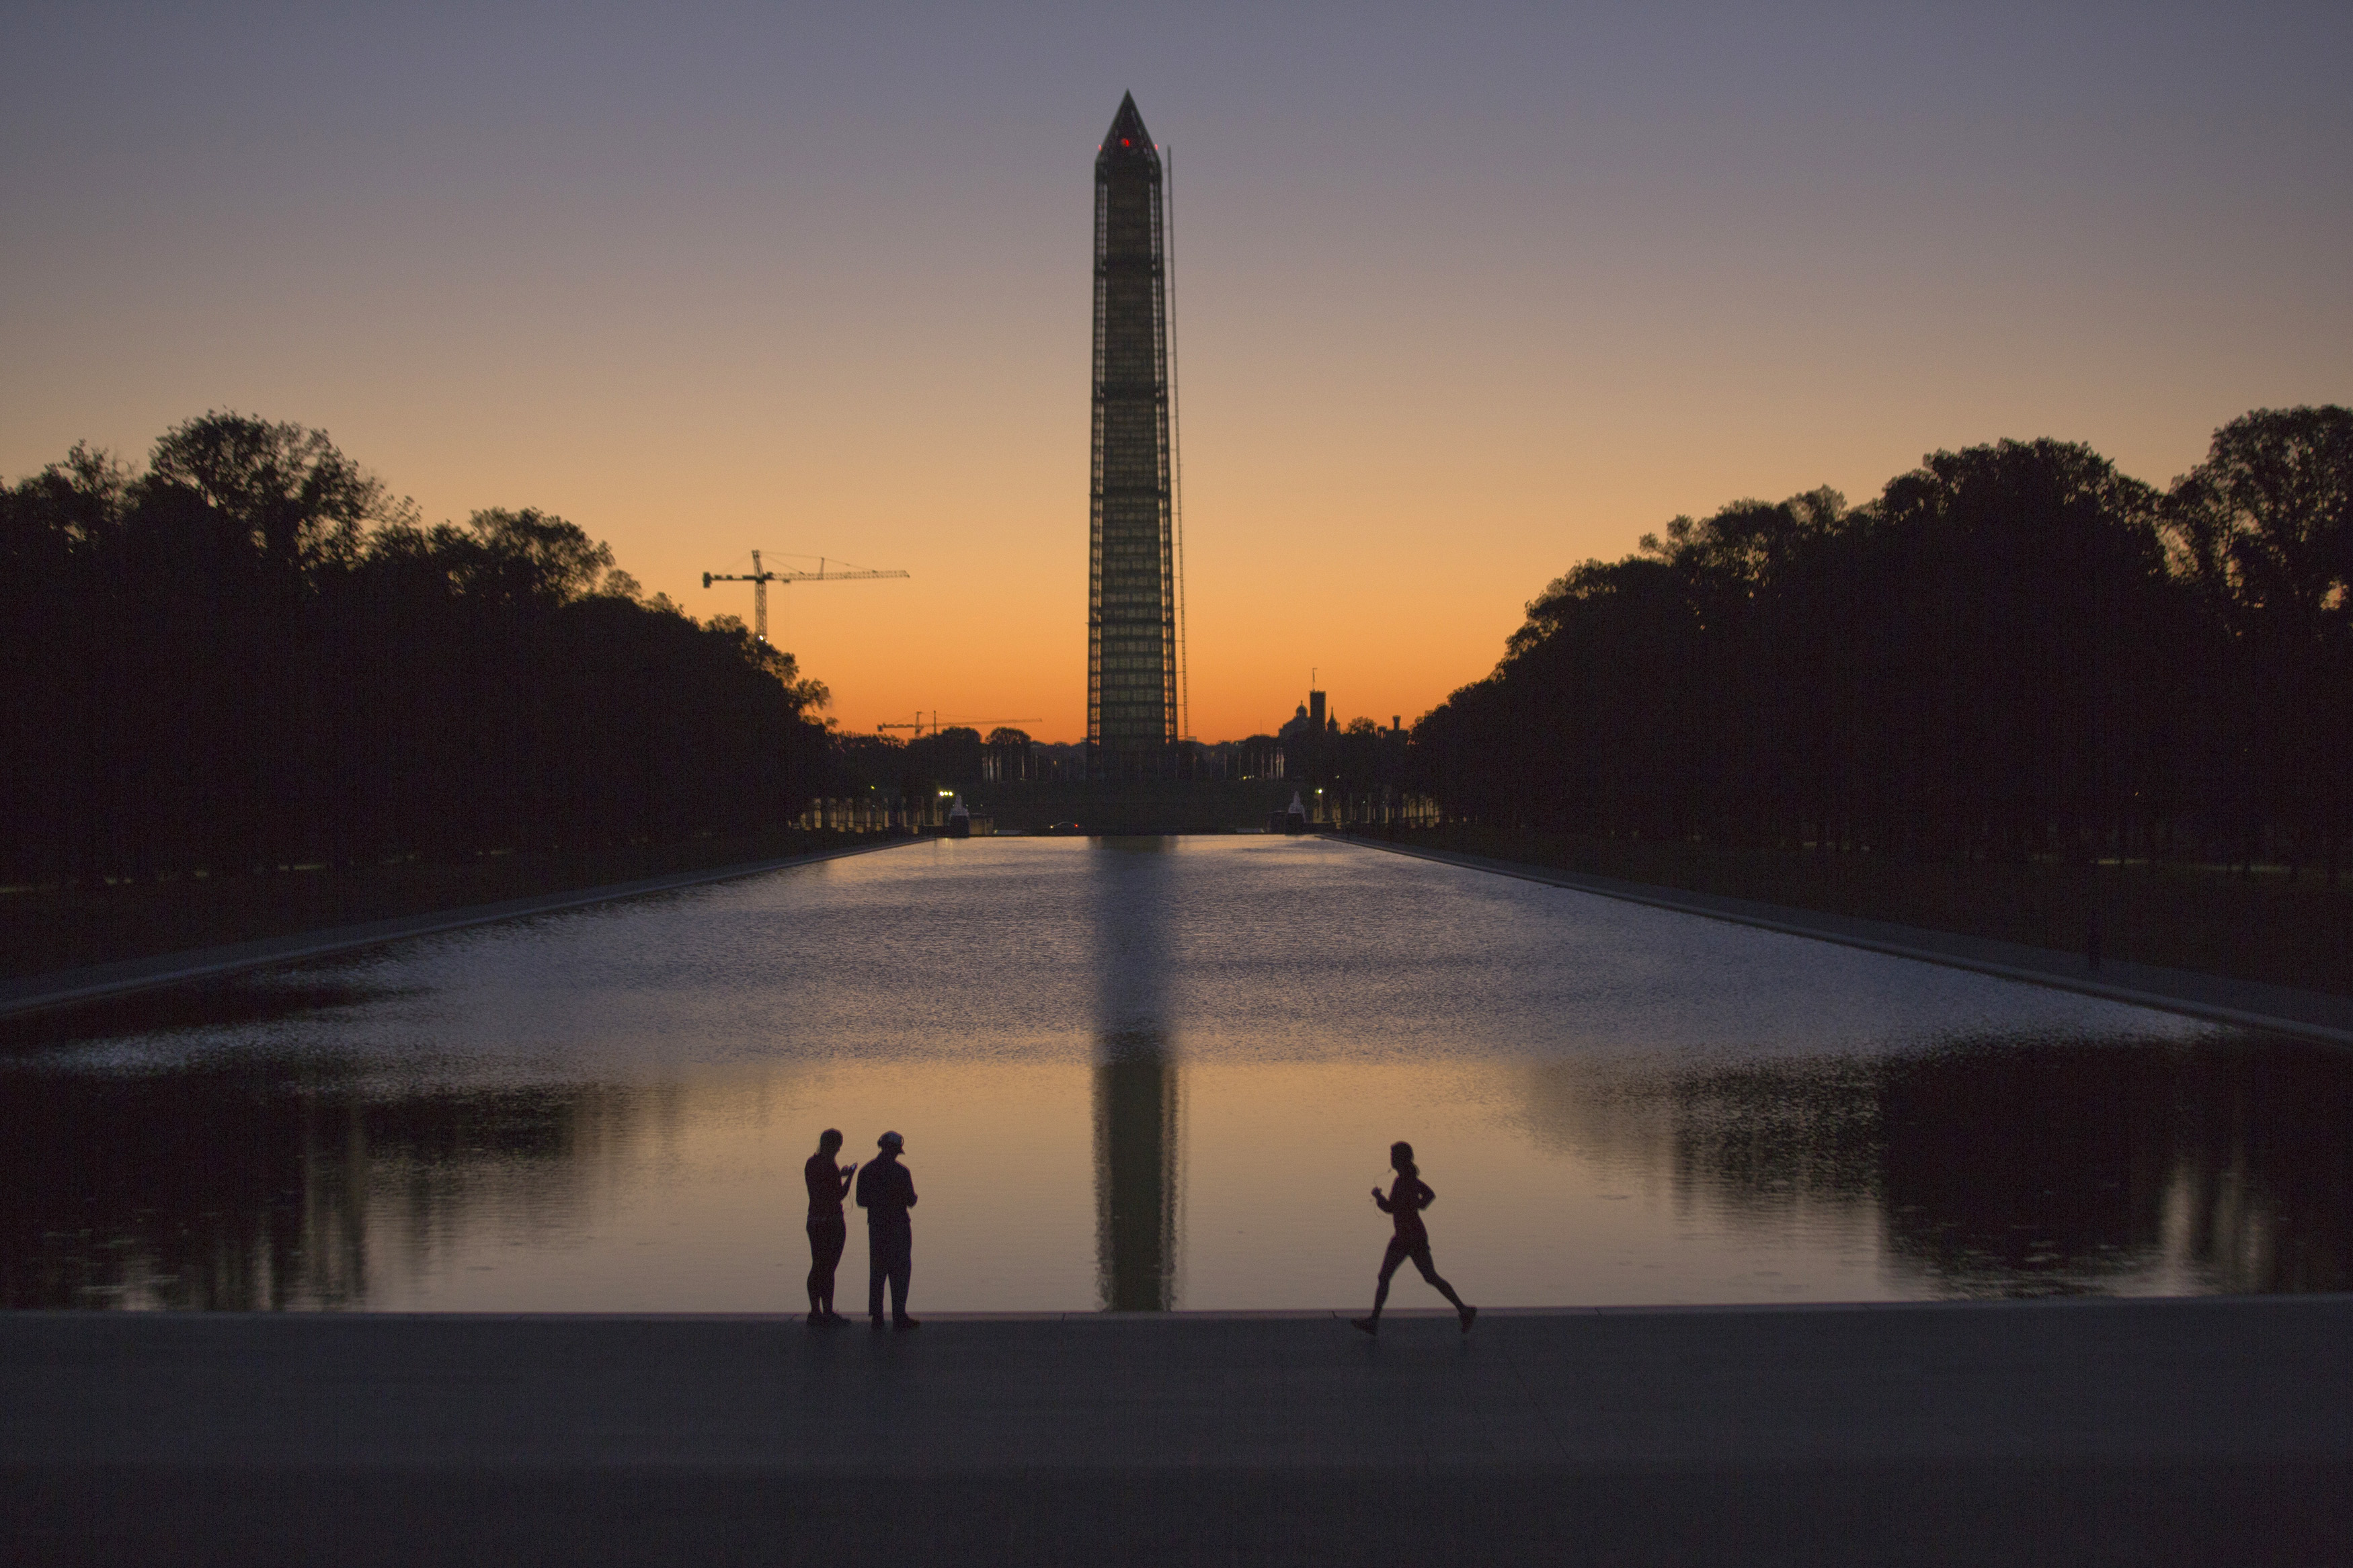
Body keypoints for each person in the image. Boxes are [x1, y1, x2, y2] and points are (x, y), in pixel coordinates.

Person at [1353, 1141, 1476, 1336]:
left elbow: (1390, 1208)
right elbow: (1429, 1195)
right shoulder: (1410, 1178)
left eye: (1394, 1156)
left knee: (1397, 1277)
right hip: (1410, 1235)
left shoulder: (1402, 1181)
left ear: (1401, 1159)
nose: (1391, 1160)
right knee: (1427, 1277)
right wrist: (1418, 1205)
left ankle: (1375, 1321)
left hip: (1408, 1238)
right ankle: (1464, 1310)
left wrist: (1378, 1196)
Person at [856, 1130, 919, 1329]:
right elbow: (911, 1200)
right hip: (899, 1226)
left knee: (878, 1271)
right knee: (900, 1270)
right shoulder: (902, 1172)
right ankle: (899, 1315)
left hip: (877, 1227)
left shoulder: (866, 1171)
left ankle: (877, 1317)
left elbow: (860, 1201)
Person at [803, 1129, 856, 1325]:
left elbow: (822, 1189)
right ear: (833, 1145)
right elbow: (839, 1195)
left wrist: (839, 1175)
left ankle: (815, 1311)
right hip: (832, 1222)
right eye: (838, 1145)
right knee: (829, 1268)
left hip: (814, 1220)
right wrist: (850, 1176)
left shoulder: (812, 1163)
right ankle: (828, 1312)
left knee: (817, 1265)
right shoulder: (829, 1166)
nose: (840, 1148)